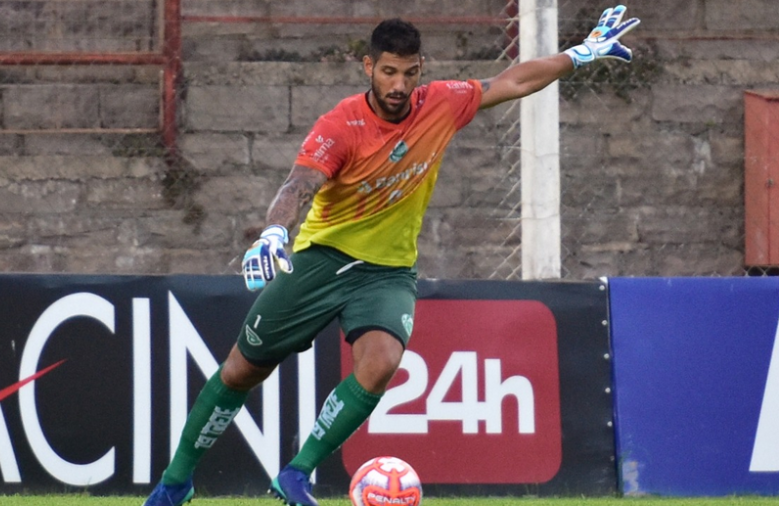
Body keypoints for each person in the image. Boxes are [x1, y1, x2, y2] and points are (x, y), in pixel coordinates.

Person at [144, 6, 639, 506]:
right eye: (388, 72)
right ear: (369, 67)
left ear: (421, 69)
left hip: (387, 272)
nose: (399, 85)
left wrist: (580, 54)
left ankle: (296, 474)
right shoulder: (341, 125)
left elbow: (513, 81)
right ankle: (176, 482)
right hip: (323, 260)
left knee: (381, 363)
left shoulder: (442, 102)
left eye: (409, 73)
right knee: (240, 372)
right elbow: (299, 184)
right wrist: (275, 231)